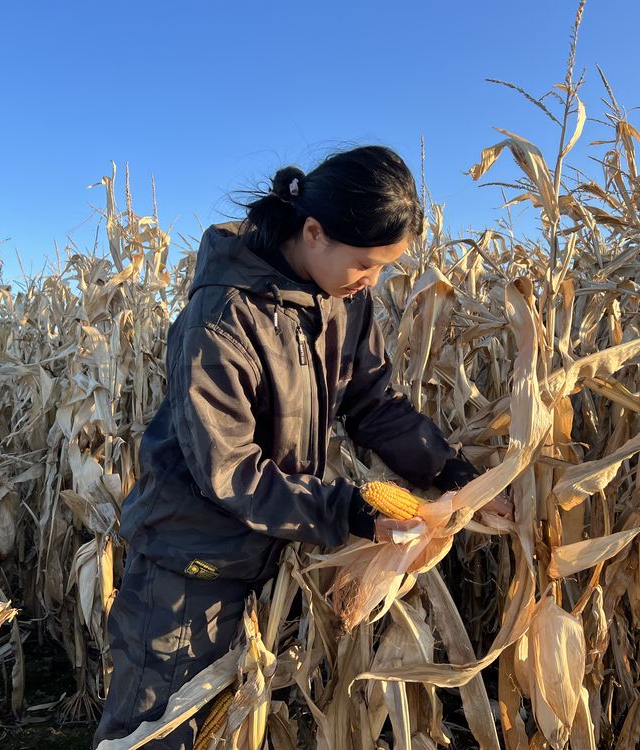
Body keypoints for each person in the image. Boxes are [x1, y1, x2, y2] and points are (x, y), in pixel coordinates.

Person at [93, 145, 508, 749]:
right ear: (314, 232)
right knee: (160, 733)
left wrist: (453, 474)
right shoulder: (222, 320)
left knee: (235, 726)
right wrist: (352, 511)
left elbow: (374, 403)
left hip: (269, 549)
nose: (373, 282)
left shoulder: (341, 300)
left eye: (384, 269)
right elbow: (230, 470)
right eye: (366, 264)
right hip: (193, 564)